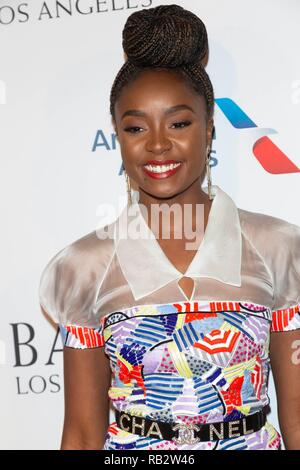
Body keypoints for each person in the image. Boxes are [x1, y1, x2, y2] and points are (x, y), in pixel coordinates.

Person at [38, 4, 300, 450]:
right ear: (117, 136)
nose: (158, 144)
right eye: (136, 127)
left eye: (179, 122)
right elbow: (81, 432)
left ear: (210, 128)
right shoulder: (84, 266)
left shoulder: (279, 248)